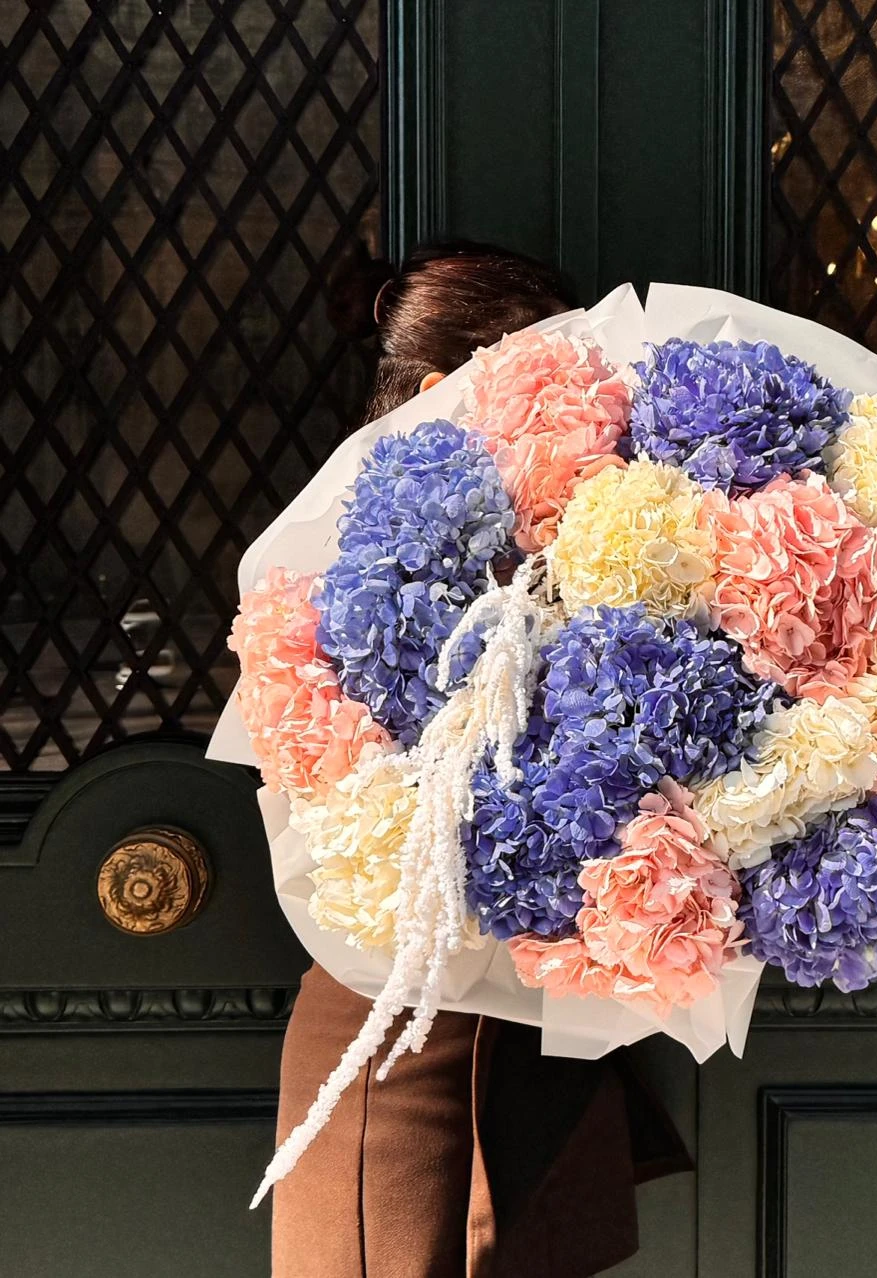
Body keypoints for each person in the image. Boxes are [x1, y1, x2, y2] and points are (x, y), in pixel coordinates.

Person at [271, 241, 690, 1278]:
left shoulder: (569, 555)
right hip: (400, 1044)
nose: (583, 408)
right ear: (436, 389)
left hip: (525, 1045)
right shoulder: (347, 584)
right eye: (543, 376)